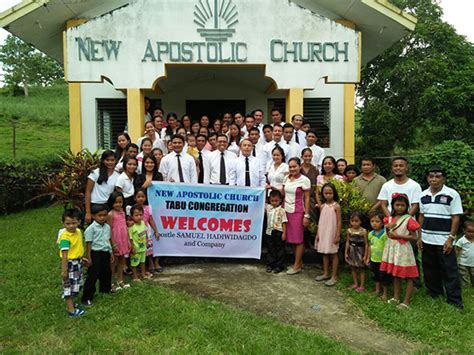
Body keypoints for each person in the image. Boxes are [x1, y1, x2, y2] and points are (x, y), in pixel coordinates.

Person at [418, 165, 464, 309]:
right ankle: (434, 294)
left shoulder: (452, 194)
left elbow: (456, 217)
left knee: (449, 270)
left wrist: (451, 238)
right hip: (426, 239)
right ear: (427, 178)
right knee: (430, 269)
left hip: (444, 240)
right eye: (431, 176)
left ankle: (455, 301)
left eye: (438, 176)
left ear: (443, 178)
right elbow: (421, 215)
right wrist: (419, 236)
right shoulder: (423, 195)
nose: (434, 179)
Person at [380, 193, 420, 309]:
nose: (399, 208)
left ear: (407, 206)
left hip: (403, 249)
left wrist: (398, 236)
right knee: (395, 274)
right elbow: (389, 235)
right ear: (392, 205)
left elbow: (414, 237)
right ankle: (396, 297)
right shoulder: (390, 219)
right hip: (392, 248)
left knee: (408, 276)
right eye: (397, 205)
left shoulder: (408, 219)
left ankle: (406, 301)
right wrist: (388, 228)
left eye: (402, 205)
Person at [282, 157, 311, 275]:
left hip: (298, 212)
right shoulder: (286, 178)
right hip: (286, 211)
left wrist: (307, 215)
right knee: (292, 239)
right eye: (290, 167)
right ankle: (298, 262)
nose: (292, 169)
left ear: (300, 166)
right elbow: (283, 194)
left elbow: (307, 198)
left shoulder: (305, 180)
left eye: (294, 166)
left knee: (298, 239)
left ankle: (296, 265)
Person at [81, 205, 114, 305]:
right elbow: (88, 244)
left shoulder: (107, 227)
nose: (103, 217)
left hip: (105, 252)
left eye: (105, 215)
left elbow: (108, 240)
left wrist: (111, 252)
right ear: (93, 216)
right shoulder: (91, 229)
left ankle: (105, 289)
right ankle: (87, 297)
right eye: (100, 215)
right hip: (95, 253)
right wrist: (89, 257)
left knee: (106, 272)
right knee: (93, 275)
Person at [57, 208, 87, 317]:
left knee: (77, 284)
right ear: (63, 223)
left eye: (74, 223)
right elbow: (64, 255)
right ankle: (71, 310)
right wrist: (64, 271)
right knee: (68, 286)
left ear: (79, 222)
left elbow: (77, 247)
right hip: (69, 264)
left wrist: (81, 258)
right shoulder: (65, 237)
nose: (71, 226)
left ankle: (72, 304)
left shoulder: (78, 232)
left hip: (77, 262)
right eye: (67, 223)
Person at [315, 183, 341, 286]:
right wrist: (318, 233)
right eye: (326, 193)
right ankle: (326, 273)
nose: (328, 195)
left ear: (334, 193)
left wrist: (337, 235)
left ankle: (334, 276)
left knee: (333, 253)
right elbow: (320, 221)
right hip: (323, 232)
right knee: (324, 253)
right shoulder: (322, 206)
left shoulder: (337, 206)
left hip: (332, 232)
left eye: (330, 193)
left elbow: (339, 221)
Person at [84, 150, 119, 224]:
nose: (110, 162)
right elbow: (88, 192)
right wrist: (88, 212)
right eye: (107, 160)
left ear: (115, 160)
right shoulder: (95, 173)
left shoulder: (117, 175)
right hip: (95, 206)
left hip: (108, 207)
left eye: (112, 160)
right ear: (103, 160)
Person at [133, 188, 161, 274]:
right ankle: (138, 266)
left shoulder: (148, 208)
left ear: (145, 197)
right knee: (139, 249)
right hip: (137, 232)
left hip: (146, 232)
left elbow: (151, 220)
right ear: (135, 198)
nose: (141, 198)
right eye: (138, 196)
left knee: (147, 248)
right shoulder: (132, 208)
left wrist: (156, 231)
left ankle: (151, 263)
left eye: (143, 196)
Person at [365, 211, 391, 301]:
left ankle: (385, 293)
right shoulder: (370, 234)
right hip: (373, 259)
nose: (374, 224)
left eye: (377, 221)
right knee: (375, 275)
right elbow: (369, 246)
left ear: (383, 222)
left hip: (383, 260)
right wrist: (368, 257)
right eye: (372, 221)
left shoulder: (385, 234)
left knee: (384, 277)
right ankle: (377, 290)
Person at [107, 191, 130, 290]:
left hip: (123, 240)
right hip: (115, 241)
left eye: (120, 202)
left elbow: (124, 226)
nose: (118, 204)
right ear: (111, 203)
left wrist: (128, 240)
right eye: (116, 202)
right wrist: (112, 243)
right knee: (113, 263)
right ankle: (111, 283)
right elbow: (109, 229)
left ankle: (120, 280)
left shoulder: (123, 212)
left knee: (122, 261)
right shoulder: (110, 214)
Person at [265, 190, 288, 274]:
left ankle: (279, 266)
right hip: (269, 231)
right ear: (269, 200)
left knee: (280, 249)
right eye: (272, 201)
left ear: (280, 200)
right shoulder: (268, 208)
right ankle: (270, 264)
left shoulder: (282, 210)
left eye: (276, 201)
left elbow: (284, 222)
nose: (274, 203)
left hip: (279, 231)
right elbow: (262, 200)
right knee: (271, 248)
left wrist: (284, 233)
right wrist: (266, 189)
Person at [345, 211, 368, 292]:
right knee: (353, 267)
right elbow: (347, 242)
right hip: (352, 251)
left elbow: (366, 244)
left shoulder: (363, 231)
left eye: (356, 221)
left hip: (360, 251)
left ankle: (362, 285)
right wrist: (346, 253)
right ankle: (355, 283)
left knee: (361, 268)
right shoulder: (349, 231)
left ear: (361, 221)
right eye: (352, 221)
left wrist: (365, 255)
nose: (354, 223)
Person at [128, 205, 150, 281]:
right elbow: (130, 238)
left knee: (143, 262)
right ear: (132, 216)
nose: (139, 217)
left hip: (143, 248)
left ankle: (143, 274)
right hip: (136, 249)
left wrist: (147, 240)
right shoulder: (132, 227)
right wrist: (132, 247)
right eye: (136, 215)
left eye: (140, 215)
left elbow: (145, 233)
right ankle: (135, 277)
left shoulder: (143, 223)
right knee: (134, 263)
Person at [300, 148, 319, 224]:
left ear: (312, 156)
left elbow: (317, 186)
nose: (307, 158)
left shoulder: (315, 170)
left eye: (309, 156)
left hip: (312, 200)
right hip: (300, 199)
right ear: (302, 157)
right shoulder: (298, 169)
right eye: (305, 156)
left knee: (312, 222)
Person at [456, 221, 474, 288]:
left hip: (473, 263)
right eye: (469, 231)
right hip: (463, 263)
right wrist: (455, 259)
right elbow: (457, 250)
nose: (471, 234)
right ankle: (465, 287)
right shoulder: (461, 241)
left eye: (473, 232)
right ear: (464, 231)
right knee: (464, 276)